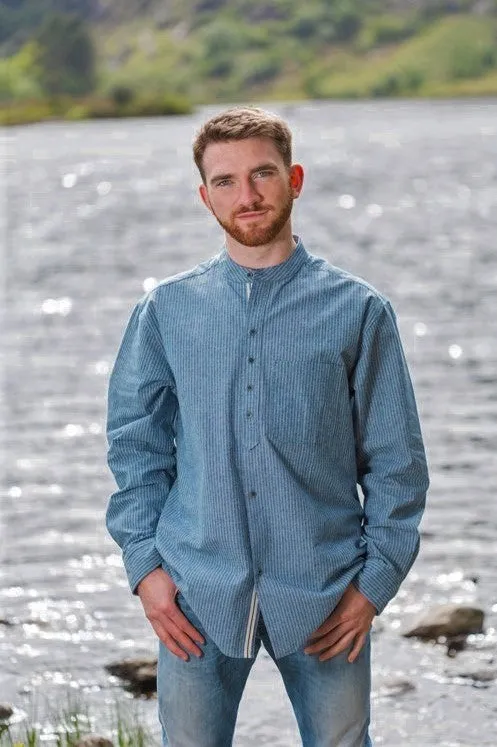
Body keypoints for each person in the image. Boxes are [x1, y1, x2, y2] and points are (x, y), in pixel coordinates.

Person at [105, 106, 430, 747]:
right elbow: (135, 444)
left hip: (327, 592)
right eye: (224, 181)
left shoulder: (360, 311)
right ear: (204, 196)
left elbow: (397, 461)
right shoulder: (166, 310)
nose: (246, 196)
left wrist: (373, 586)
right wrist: (146, 570)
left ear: (295, 179)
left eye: (262, 174)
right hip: (196, 596)